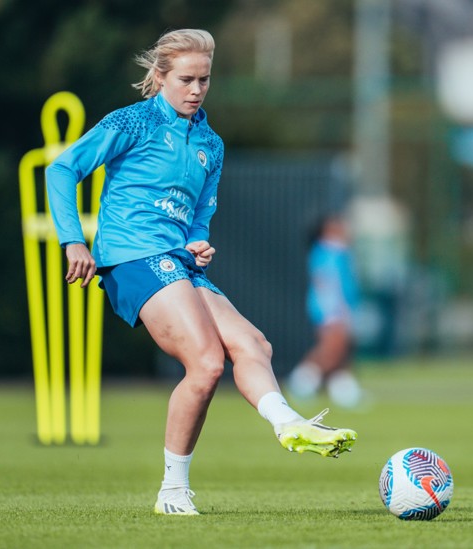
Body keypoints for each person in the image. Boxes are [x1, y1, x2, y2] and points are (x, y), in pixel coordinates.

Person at [45, 29, 356, 516]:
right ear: (159, 77)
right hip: (131, 256)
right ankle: (172, 491)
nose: (195, 90)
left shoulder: (211, 143)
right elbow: (62, 169)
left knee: (255, 345)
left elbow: (197, 217)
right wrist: (72, 240)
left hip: (176, 260)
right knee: (207, 361)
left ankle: (289, 424)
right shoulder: (131, 122)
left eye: (204, 80)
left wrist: (197, 241)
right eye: (186, 79)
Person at [287, 214, 364, 408]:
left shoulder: (337, 251)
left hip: (339, 308)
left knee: (342, 351)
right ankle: (300, 383)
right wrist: (336, 312)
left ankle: (344, 391)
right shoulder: (327, 252)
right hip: (331, 309)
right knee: (331, 349)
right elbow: (328, 283)